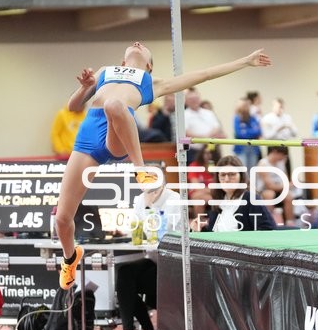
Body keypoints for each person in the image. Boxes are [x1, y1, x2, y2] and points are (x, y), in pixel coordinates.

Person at [55, 42, 271, 290]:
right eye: (134, 45)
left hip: (118, 134)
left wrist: (245, 60)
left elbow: (205, 74)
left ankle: (140, 169)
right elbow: (73, 107)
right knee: (62, 219)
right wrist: (84, 89)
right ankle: (70, 258)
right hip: (88, 138)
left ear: (148, 65)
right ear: (123, 62)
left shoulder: (153, 83)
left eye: (144, 47)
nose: (137, 44)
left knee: (114, 105)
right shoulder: (106, 70)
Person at [108, 177, 183, 330]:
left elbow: (164, 231)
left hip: (173, 265)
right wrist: (123, 232)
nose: (146, 190)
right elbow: (136, 226)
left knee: (131, 278)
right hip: (153, 259)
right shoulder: (141, 199)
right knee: (125, 273)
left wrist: (151, 207)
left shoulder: (175, 200)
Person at [201, 155, 276, 232]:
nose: (226, 179)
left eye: (232, 174)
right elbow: (212, 233)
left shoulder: (250, 198)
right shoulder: (217, 201)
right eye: (223, 175)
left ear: (241, 176)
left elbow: (268, 229)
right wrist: (200, 228)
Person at [233, 96, 262, 170]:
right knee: (243, 170)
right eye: (244, 105)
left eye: (248, 105)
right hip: (241, 149)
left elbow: (258, 131)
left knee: (252, 171)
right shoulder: (237, 118)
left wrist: (246, 131)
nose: (246, 108)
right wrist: (252, 132)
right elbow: (239, 133)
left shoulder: (253, 118)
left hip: (253, 148)